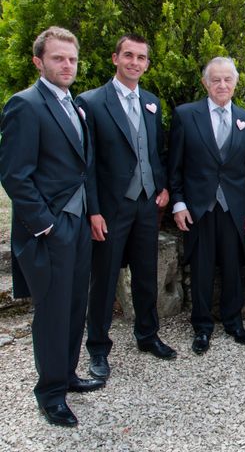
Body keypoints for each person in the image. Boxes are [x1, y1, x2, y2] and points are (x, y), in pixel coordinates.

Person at [0, 26, 104, 427]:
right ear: (38, 61)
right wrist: (45, 225)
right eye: (58, 58)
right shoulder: (25, 105)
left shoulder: (74, 104)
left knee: (76, 303)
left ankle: (68, 374)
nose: (67, 65)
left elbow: (84, 170)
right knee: (53, 311)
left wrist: (90, 213)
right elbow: (14, 174)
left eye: (72, 59)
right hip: (50, 229)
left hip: (78, 225)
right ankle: (50, 393)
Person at [77, 34, 176, 381]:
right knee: (103, 281)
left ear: (147, 64)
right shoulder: (90, 102)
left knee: (146, 275)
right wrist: (93, 210)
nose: (135, 62)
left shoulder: (152, 102)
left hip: (147, 204)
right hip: (110, 208)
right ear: (115, 58)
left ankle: (147, 335)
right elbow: (86, 163)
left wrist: (162, 186)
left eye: (142, 58)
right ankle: (98, 349)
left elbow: (154, 150)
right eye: (129, 55)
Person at [169, 57, 245, 354]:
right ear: (205, 83)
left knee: (233, 268)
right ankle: (202, 327)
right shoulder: (185, 115)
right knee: (202, 268)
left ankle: (234, 322)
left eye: (227, 80)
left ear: (235, 83)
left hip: (234, 207)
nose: (222, 85)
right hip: (199, 207)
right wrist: (178, 202)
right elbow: (175, 166)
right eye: (216, 80)